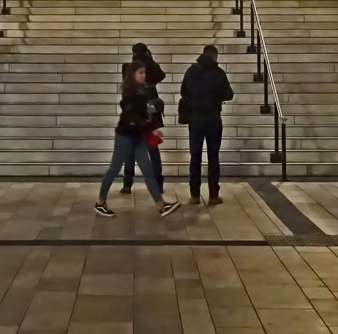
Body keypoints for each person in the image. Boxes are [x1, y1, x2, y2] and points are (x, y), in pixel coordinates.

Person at [96, 63, 180, 217]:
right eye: (140, 72)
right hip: (125, 136)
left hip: (138, 136)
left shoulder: (142, 91)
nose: (143, 75)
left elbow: (146, 111)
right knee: (114, 169)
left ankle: (161, 205)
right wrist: (150, 126)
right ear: (133, 74)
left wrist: (151, 122)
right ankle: (100, 202)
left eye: (144, 72)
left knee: (148, 170)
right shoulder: (130, 92)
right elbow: (133, 115)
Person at [179, 45, 234, 205]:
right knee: (213, 157)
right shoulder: (219, 73)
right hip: (213, 119)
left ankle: (194, 195)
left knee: (195, 157)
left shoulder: (191, 71)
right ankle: (213, 195)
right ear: (215, 56)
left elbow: (183, 91)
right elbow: (229, 94)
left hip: (196, 120)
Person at [121, 43, 167, 194]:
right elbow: (162, 75)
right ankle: (158, 184)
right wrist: (150, 60)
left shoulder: (129, 68)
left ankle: (127, 183)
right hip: (151, 114)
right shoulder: (151, 68)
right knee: (153, 149)